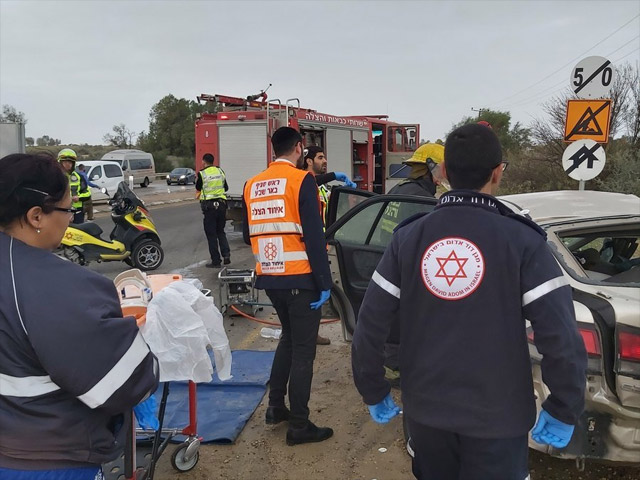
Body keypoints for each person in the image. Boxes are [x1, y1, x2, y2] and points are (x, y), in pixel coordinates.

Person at [351, 124, 587, 479]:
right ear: (498, 172)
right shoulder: (523, 241)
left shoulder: (408, 238)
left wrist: (372, 387)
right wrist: (564, 405)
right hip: (499, 419)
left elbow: (370, 323)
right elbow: (561, 334)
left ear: (443, 172)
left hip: (427, 415)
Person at [0, 153, 159, 479]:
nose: (71, 219)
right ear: (36, 216)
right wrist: (127, 324)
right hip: (45, 459)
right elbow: (126, 382)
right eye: (67, 210)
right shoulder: (59, 286)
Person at [242, 127, 333, 446]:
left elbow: (247, 233)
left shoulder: (252, 185)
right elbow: (314, 234)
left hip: (269, 278)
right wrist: (325, 282)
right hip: (301, 279)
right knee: (304, 352)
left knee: (289, 340)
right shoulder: (301, 180)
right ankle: (299, 424)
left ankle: (276, 407)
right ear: (299, 148)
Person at [381, 143, 446, 380]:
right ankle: (396, 369)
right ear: (432, 169)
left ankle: (390, 362)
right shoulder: (422, 199)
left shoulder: (399, 188)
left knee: (392, 319)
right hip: (406, 269)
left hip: (387, 262)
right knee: (405, 320)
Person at [301, 145, 356, 346]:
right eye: (321, 157)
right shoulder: (303, 182)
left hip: (322, 242)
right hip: (308, 247)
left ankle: (312, 333)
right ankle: (305, 335)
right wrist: (335, 175)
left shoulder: (321, 186)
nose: (325, 161)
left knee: (316, 292)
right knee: (310, 293)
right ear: (308, 161)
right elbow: (309, 182)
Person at [196, 153, 230, 268]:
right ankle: (226, 255)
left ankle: (216, 261)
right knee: (221, 231)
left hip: (209, 207)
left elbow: (198, 188)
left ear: (204, 162)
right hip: (221, 205)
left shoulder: (202, 174)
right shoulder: (220, 171)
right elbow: (226, 188)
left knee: (211, 235)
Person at [57, 148, 84, 224]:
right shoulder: (54, 177)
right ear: (60, 162)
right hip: (60, 210)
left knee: (79, 233)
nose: (67, 164)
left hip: (77, 210)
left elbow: (87, 193)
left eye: (70, 162)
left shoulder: (79, 177)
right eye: (65, 162)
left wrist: (79, 197)